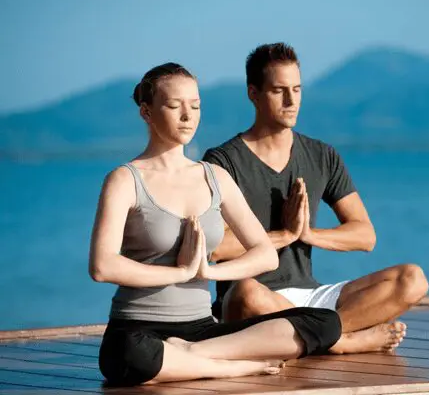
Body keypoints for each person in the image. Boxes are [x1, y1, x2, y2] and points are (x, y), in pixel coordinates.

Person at [89, 62, 352, 387]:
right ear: (146, 112)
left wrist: (209, 272)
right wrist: (180, 273)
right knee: (128, 352)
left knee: (324, 323)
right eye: (174, 106)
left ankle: (192, 355)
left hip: (202, 329)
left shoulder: (215, 178)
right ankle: (229, 367)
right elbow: (102, 266)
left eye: (195, 106)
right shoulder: (125, 180)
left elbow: (265, 255)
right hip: (138, 329)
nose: (188, 116)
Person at [203, 43, 428, 354]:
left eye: (297, 89)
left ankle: (321, 336)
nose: (291, 100)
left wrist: (309, 234)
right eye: (279, 90)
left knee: (412, 279)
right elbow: (212, 248)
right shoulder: (222, 162)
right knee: (247, 294)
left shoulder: (322, 155)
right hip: (253, 299)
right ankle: (340, 340)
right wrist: (283, 236)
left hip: (312, 298)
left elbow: (365, 235)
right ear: (253, 94)